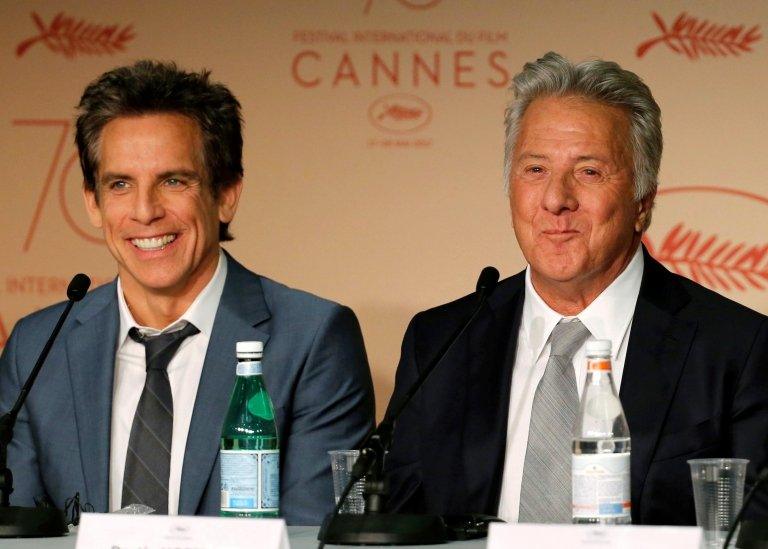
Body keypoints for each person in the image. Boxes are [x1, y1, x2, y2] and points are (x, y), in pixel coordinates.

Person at [384, 52, 768, 525]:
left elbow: (755, 529)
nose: (555, 200)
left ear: (642, 203)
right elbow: (401, 522)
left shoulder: (737, 349)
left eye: (588, 171)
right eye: (535, 170)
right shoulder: (441, 341)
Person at [0, 60, 375, 525]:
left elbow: (314, 534)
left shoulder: (311, 339)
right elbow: (19, 530)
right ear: (93, 203)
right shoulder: (38, 347)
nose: (145, 211)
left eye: (173, 181)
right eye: (120, 185)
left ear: (226, 193)